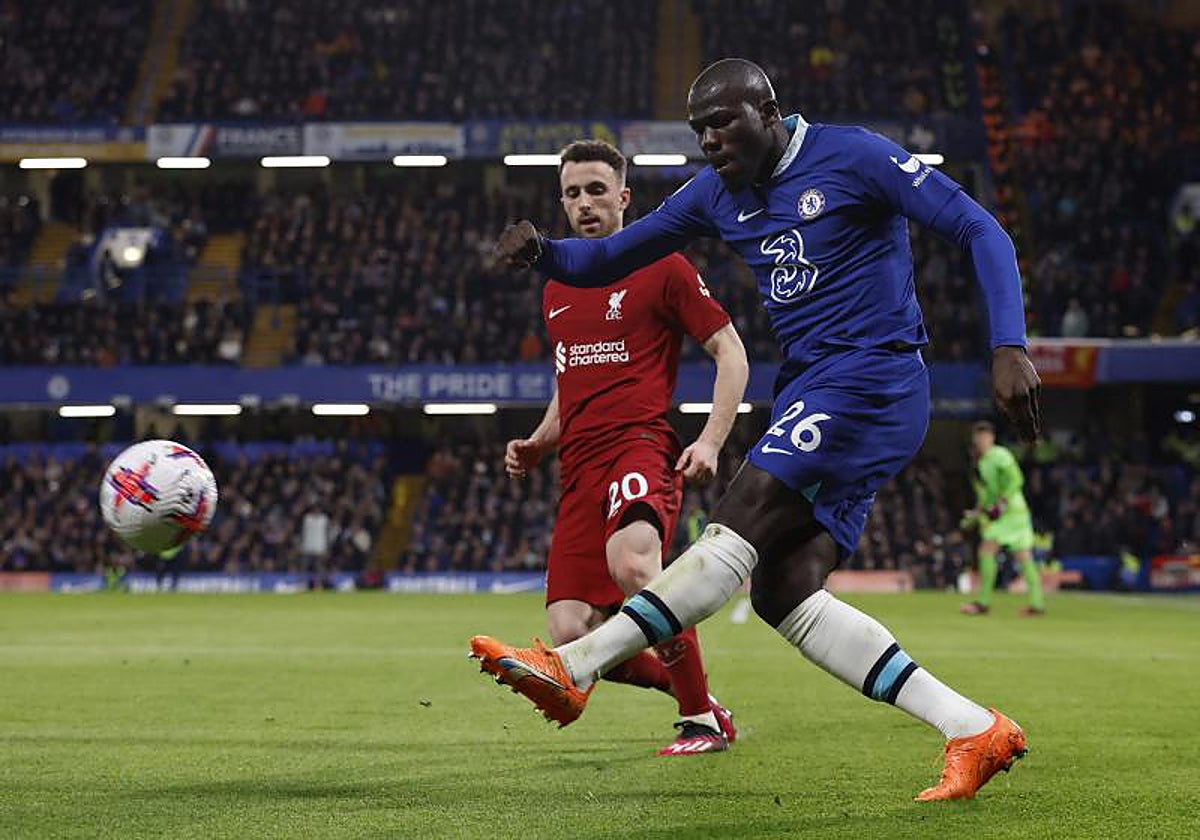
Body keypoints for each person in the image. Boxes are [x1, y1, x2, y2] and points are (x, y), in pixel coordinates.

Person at [471, 58, 1041, 802]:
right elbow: (609, 255)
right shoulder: (716, 194)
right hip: (812, 389)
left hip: (872, 378)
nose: (710, 140)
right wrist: (544, 253)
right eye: (699, 129)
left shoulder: (856, 155)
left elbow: (979, 225)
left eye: (723, 123)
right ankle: (972, 727)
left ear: (768, 112)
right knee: (783, 591)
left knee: (738, 519)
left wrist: (1009, 343)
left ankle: (572, 668)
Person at [504, 139, 749, 755]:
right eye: (571, 193)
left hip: (639, 446)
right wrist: (539, 441)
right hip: (577, 468)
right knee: (571, 634)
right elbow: (571, 381)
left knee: (636, 567)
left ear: (624, 196)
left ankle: (699, 720)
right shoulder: (557, 284)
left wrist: (712, 440)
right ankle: (696, 697)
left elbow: (730, 351)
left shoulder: (662, 265)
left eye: (595, 189)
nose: (584, 203)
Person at [960, 421, 1045, 616]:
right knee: (1023, 556)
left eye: (984, 436)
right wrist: (978, 512)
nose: (981, 440)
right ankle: (1037, 603)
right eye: (978, 437)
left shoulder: (999, 455)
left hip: (1011, 512)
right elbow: (990, 493)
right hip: (1013, 512)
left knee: (986, 551)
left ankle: (983, 602)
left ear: (991, 438)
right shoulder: (983, 461)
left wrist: (1004, 500)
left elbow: (1017, 479)